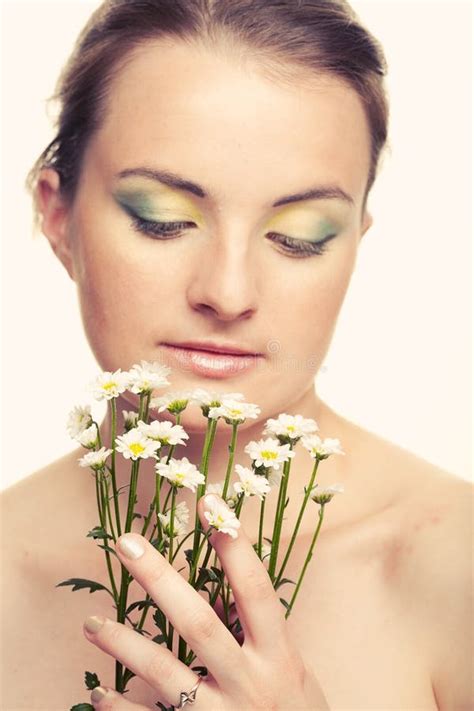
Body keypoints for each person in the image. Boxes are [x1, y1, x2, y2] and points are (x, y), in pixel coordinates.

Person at [1, 1, 471, 709]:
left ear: (355, 244)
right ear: (58, 216)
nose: (228, 291)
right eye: (163, 220)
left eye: (302, 235)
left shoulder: (455, 563)